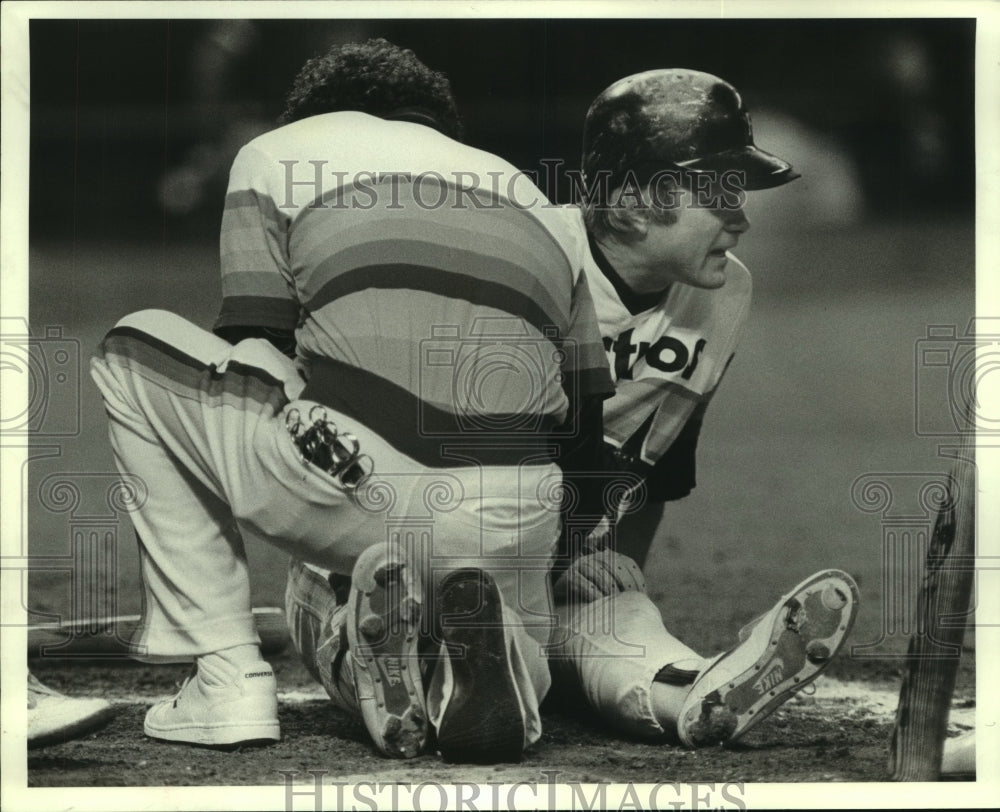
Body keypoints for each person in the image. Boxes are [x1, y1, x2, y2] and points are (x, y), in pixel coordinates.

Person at [90, 39, 613, 763]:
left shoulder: (277, 152)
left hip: (362, 490)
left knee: (132, 345)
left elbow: (255, 348)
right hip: (520, 508)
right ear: (439, 126)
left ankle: (227, 679)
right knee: (502, 627)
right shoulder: (536, 199)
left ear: (311, 112)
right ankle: (490, 670)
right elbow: (586, 424)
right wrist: (539, 560)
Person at [547, 69, 861, 745]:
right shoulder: (528, 264)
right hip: (422, 548)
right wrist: (546, 554)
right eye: (716, 195)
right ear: (631, 202)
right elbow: (442, 450)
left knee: (619, 631)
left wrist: (612, 587)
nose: (742, 218)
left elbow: (650, 468)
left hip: (542, 554)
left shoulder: (722, 295)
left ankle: (692, 693)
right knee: (472, 628)